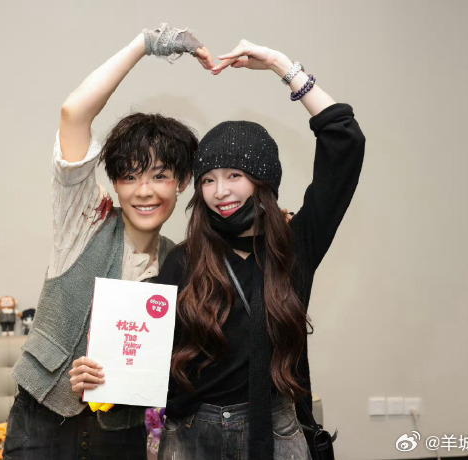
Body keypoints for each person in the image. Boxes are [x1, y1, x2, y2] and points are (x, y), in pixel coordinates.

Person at [3, 25, 214, 459]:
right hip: (43, 422)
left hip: (122, 434)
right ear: (115, 183)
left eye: (160, 175)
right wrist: (145, 45)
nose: (144, 191)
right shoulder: (86, 218)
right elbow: (74, 113)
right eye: (130, 176)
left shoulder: (181, 262)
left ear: (182, 183)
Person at [154, 40, 366, 459]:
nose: (220, 191)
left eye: (234, 175)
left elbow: (345, 143)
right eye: (208, 179)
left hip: (277, 430)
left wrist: (280, 66)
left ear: (262, 180)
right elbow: (150, 361)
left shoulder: (294, 245)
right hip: (194, 433)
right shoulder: (183, 260)